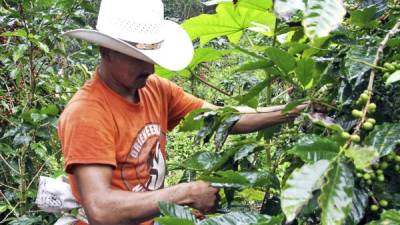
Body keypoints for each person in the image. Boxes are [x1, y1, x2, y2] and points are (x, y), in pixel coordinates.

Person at [58, 0, 306, 224]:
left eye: (151, 56)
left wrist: (294, 110)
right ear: (106, 51)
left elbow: (223, 118)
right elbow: (101, 210)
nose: (150, 68)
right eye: (137, 58)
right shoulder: (87, 113)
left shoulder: (155, 89)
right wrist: (184, 193)